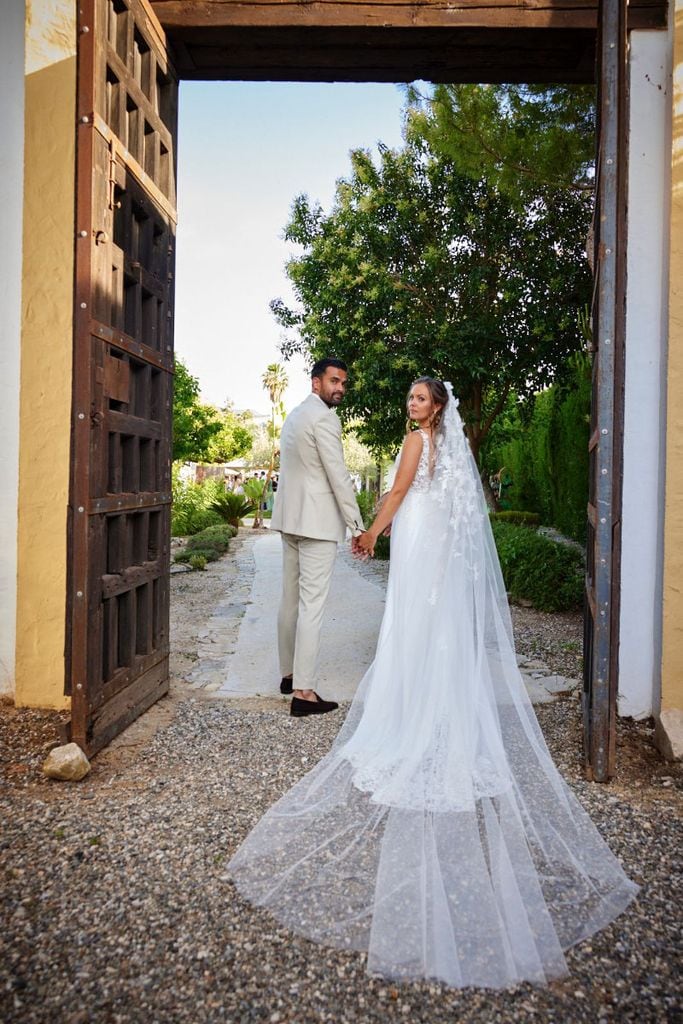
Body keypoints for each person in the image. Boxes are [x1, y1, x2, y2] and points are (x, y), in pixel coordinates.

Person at [229, 378, 638, 988]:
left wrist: (370, 532)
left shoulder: (417, 441)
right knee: (430, 623)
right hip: (436, 536)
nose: (412, 405)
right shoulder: (452, 447)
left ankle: (410, 714)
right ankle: (435, 702)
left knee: (411, 624)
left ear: (437, 407)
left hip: (418, 533)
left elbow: (396, 489)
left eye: (420, 399)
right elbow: (453, 504)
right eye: (412, 399)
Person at [270, 357, 365, 717]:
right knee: (312, 606)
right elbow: (337, 475)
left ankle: (288, 674)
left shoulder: (295, 415)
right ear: (316, 383)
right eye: (334, 381)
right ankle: (304, 693)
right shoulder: (325, 419)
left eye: (343, 382)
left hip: (291, 520)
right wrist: (357, 526)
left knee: (290, 600)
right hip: (316, 523)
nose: (340, 388)